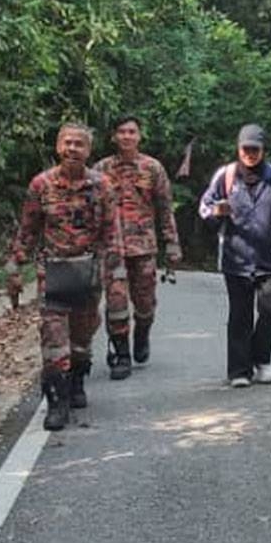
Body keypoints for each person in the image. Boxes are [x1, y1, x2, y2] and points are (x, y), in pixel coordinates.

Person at [6, 123, 129, 431]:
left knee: (82, 338)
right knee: (53, 339)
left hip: (88, 273)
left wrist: (115, 273)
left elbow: (112, 233)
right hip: (54, 273)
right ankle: (56, 401)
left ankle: (76, 382)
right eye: (67, 143)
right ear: (58, 147)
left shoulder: (102, 185)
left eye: (79, 144)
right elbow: (28, 229)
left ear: (89, 151)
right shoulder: (41, 185)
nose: (72, 149)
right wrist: (16, 267)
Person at [198, 124, 271, 388]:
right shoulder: (225, 176)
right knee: (240, 314)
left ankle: (262, 361)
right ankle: (238, 370)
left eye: (255, 149)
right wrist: (217, 211)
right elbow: (204, 208)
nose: (250, 154)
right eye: (245, 149)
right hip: (235, 258)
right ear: (238, 149)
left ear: (263, 150)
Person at [93, 116, 182, 380]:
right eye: (121, 132)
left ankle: (142, 333)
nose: (127, 136)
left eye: (132, 132)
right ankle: (121, 355)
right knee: (117, 302)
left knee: (145, 304)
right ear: (114, 136)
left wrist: (172, 243)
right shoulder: (101, 169)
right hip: (112, 248)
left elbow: (165, 208)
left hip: (143, 246)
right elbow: (91, 209)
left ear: (139, 136)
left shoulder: (152, 168)